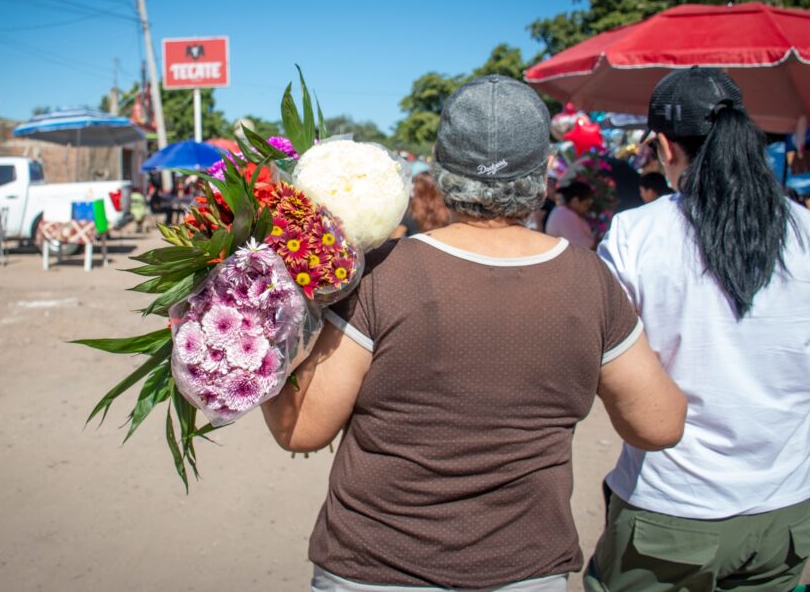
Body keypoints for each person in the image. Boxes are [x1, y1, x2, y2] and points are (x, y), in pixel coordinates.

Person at [262, 75, 685, 592]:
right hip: (523, 571)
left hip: (373, 567)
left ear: (440, 166)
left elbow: (301, 429)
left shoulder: (383, 274)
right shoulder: (589, 281)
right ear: (545, 170)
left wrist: (263, 332)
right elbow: (660, 425)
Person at [586, 67, 810, 591]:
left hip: (668, 516)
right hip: (783, 517)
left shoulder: (635, 234)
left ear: (663, 145)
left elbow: (599, 366)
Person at [393, 172, 449, 237]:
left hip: (416, 246)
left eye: (414, 184)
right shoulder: (447, 209)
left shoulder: (410, 209)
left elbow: (395, 237)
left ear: (419, 188)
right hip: (441, 245)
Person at [545, 181, 595, 248]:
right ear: (575, 201)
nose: (586, 209)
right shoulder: (564, 215)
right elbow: (588, 247)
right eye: (586, 205)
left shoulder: (566, 212)